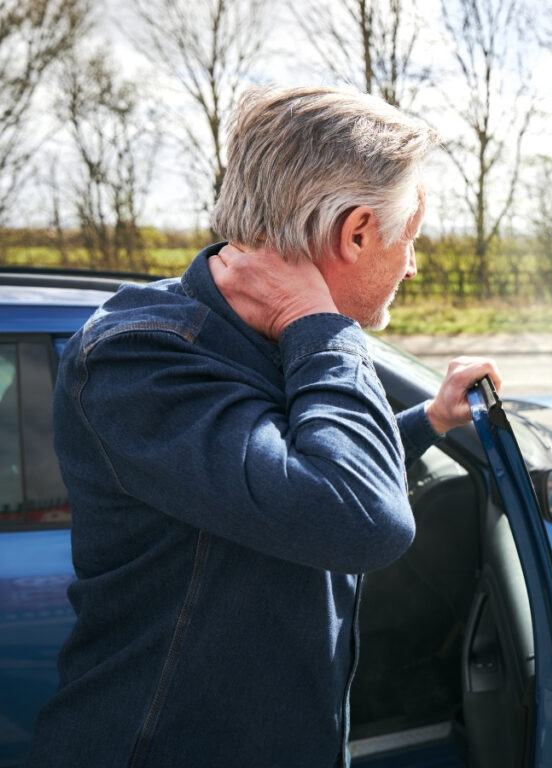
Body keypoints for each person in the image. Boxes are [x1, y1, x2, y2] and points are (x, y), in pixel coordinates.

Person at [26, 85, 501, 768]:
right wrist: (320, 327)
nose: (413, 263)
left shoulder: (270, 339)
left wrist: (425, 420)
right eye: (411, 239)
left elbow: (291, 476)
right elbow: (361, 517)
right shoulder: (140, 358)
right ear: (357, 232)